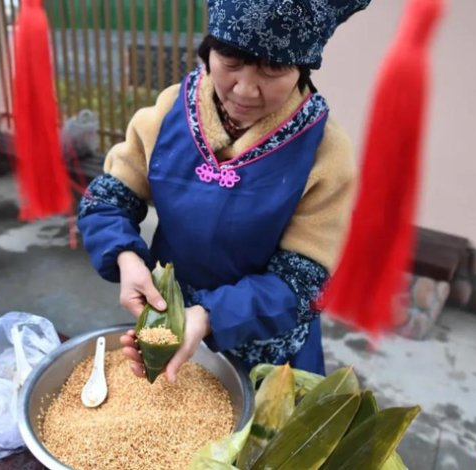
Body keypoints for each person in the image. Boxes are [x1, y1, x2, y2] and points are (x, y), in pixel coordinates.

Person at [78, 0, 371, 381]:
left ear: (302, 67)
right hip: (171, 327)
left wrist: (208, 315)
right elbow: (109, 198)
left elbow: (302, 279)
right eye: (231, 60)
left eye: (275, 67)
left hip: (267, 349)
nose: (246, 89)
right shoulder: (170, 112)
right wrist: (125, 258)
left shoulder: (325, 152)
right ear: (209, 49)